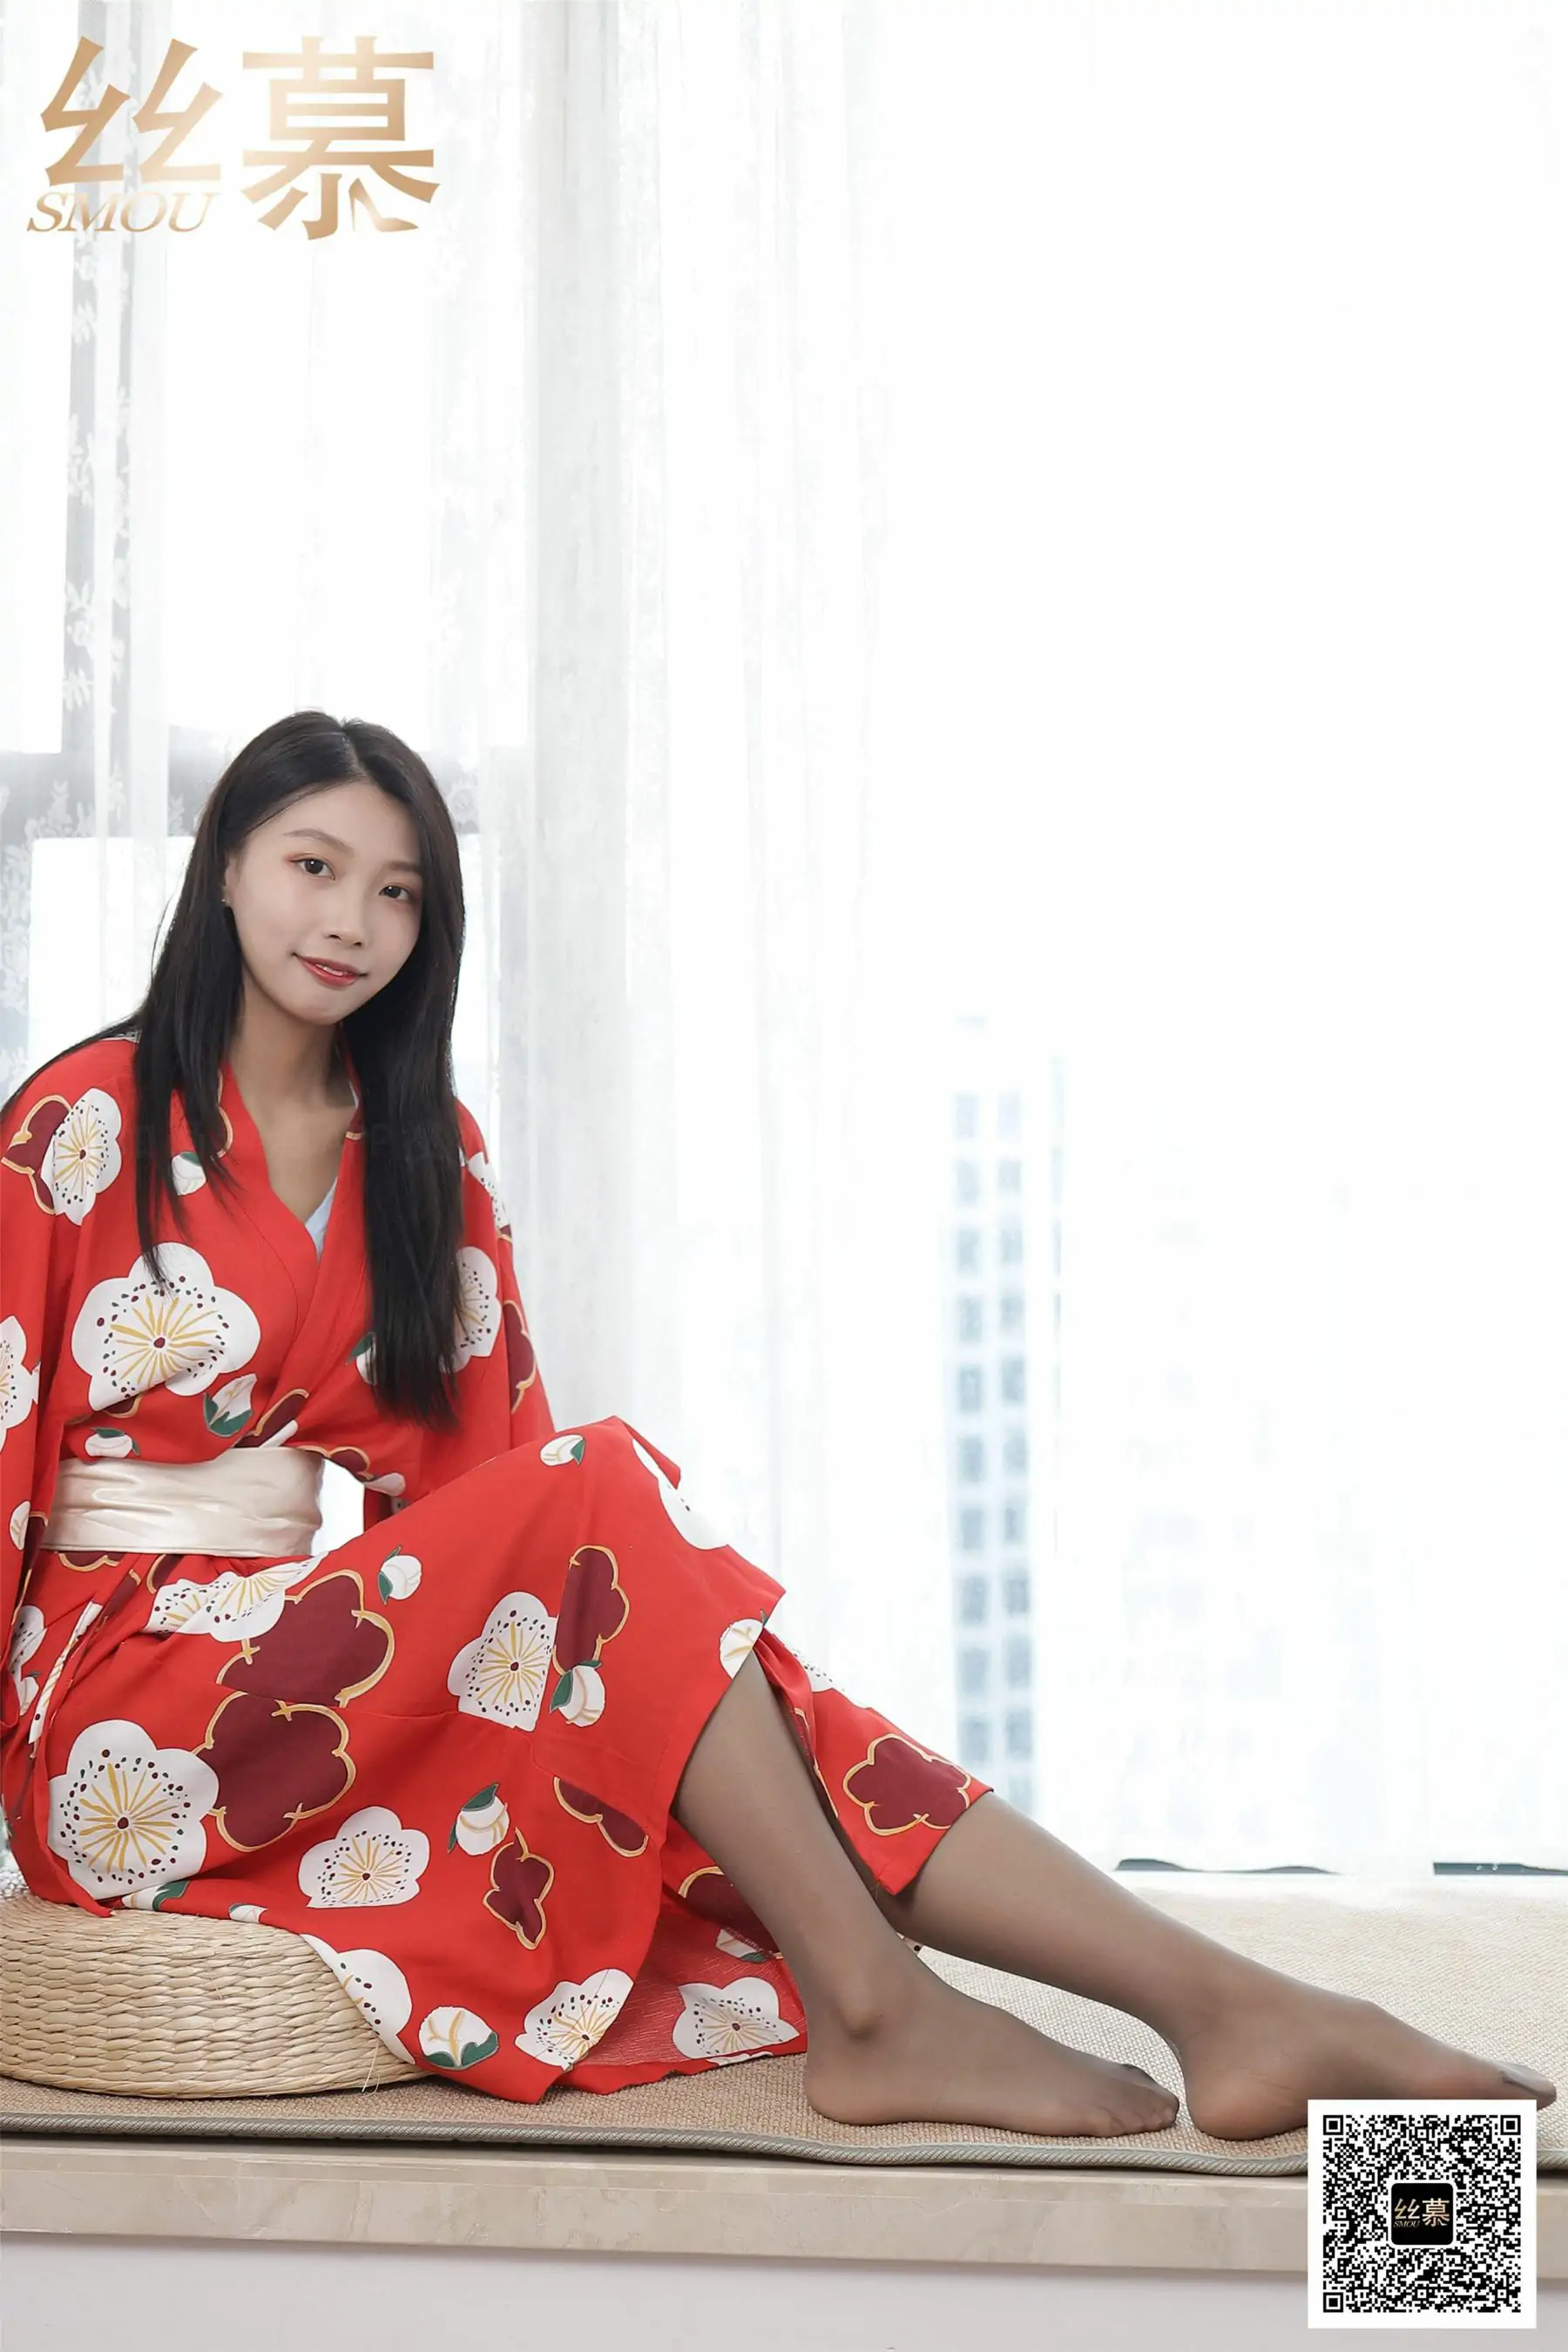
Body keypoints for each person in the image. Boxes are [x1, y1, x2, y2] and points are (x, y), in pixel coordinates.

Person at [1, 712, 1554, 2140]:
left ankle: (1221, 2005)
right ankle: (896, 2004)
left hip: (317, 1675)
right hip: (117, 1721)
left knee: (719, 1675)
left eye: (397, 893)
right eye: (314, 867)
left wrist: (606, 1672)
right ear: (224, 868)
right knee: (615, 1509)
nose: (351, 920)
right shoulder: (84, 1118)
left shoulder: (423, 1148)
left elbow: (487, 1497)